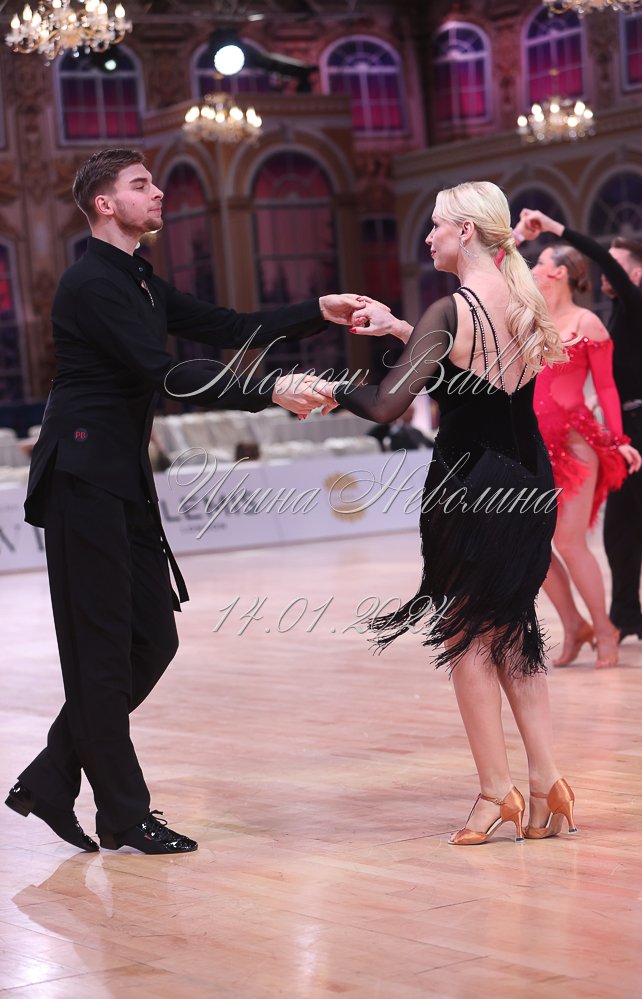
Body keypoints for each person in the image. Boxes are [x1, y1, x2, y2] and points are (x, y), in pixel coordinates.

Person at [5, 148, 360, 855]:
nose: (158, 192)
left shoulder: (138, 278)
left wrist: (315, 311)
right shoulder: (90, 284)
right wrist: (270, 389)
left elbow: (225, 324)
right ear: (106, 204)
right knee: (102, 653)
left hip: (118, 479)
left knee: (153, 640)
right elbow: (162, 371)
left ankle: (48, 778)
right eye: (141, 185)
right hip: (81, 480)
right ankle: (122, 813)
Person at [320, 181, 578, 844]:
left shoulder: (451, 308)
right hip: (529, 480)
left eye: (436, 225)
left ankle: (496, 793)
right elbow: (472, 375)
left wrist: (326, 388)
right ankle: (548, 784)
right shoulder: (521, 295)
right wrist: (398, 328)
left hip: (472, 485)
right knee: (513, 629)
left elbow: (386, 404)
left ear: (465, 231)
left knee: (467, 635)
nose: (428, 235)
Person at [520, 210, 642, 643]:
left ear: (633, 275)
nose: (605, 271)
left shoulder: (630, 308)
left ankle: (610, 625)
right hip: (587, 431)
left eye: (614, 264)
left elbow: (607, 384)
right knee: (621, 534)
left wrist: (555, 228)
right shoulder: (599, 315)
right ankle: (619, 619)